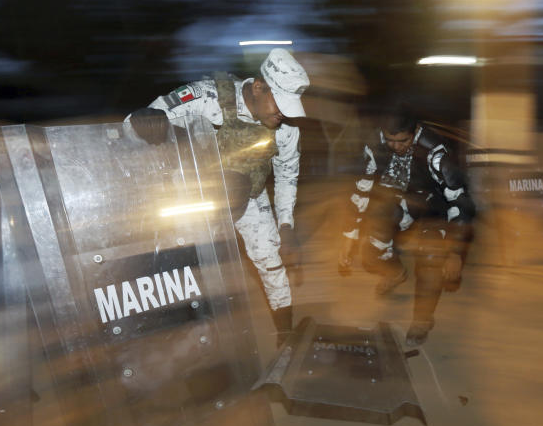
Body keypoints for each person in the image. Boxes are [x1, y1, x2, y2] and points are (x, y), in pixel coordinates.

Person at [127, 48, 309, 344]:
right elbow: (135, 124)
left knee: (270, 260)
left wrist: (286, 226)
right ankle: (175, 332)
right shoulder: (205, 98)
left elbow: (288, 175)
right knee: (186, 264)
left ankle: (286, 331)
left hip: (250, 196)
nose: (284, 113)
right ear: (259, 87)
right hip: (196, 196)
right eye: (280, 102)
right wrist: (146, 122)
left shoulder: (286, 129)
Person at [337, 105, 475, 345]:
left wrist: (455, 251)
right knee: (371, 251)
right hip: (399, 202)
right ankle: (395, 273)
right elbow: (361, 190)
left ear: (416, 131)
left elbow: (461, 202)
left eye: (402, 141)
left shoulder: (436, 153)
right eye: (390, 141)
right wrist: (348, 239)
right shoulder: (375, 145)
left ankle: (422, 318)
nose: (396, 147)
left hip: (435, 206)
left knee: (431, 256)